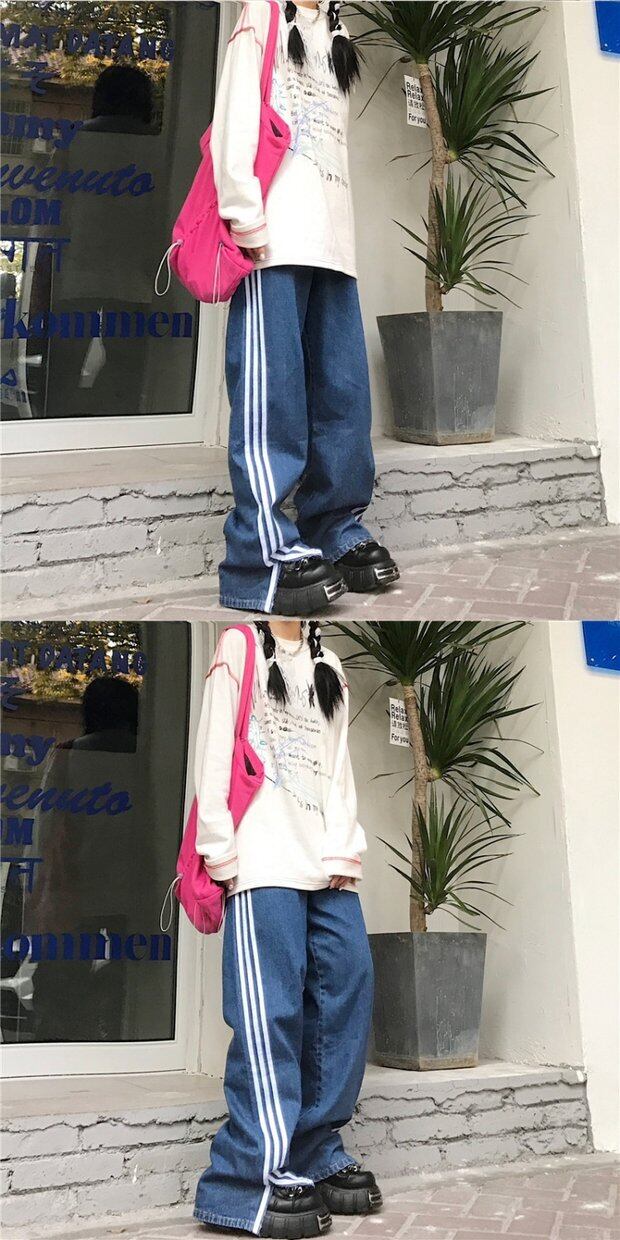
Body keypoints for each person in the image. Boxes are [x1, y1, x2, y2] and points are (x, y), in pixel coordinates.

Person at [193, 620, 381, 1237]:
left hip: (325, 863)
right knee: (267, 1014)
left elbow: (338, 765)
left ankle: (314, 1149)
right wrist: (219, 846)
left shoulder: (330, 663)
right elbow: (214, 749)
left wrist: (343, 844)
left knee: (346, 991)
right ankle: (246, 1179)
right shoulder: (240, 645)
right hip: (261, 859)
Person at [211, 0, 400, 615]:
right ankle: (259, 552)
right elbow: (235, 116)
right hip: (274, 239)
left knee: (344, 395)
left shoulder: (337, 32)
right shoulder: (263, 14)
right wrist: (244, 214)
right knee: (273, 397)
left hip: (332, 244)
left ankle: (335, 527)